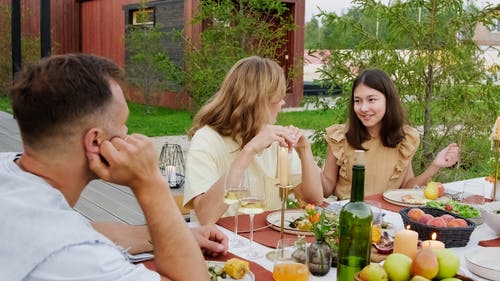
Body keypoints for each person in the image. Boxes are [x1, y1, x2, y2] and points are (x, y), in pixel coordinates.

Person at [0, 53, 227, 281]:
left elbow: (86, 229)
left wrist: (181, 236)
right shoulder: (77, 257)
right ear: (96, 142)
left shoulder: (11, 175)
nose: (127, 131)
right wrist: (150, 182)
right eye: (122, 123)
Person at [183, 56, 323, 225]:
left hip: (266, 244)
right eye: (278, 97)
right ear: (259, 101)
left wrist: (304, 149)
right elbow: (206, 216)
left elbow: (314, 199)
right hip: (220, 246)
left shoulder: (276, 140)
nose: (282, 103)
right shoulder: (206, 140)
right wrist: (249, 151)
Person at [322, 69, 460, 199]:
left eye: (371, 100)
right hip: (350, 217)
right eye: (357, 101)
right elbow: (326, 189)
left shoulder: (404, 139)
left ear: (388, 100)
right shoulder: (340, 137)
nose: (363, 108)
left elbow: (407, 187)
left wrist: (435, 166)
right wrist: (307, 162)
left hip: (388, 220)